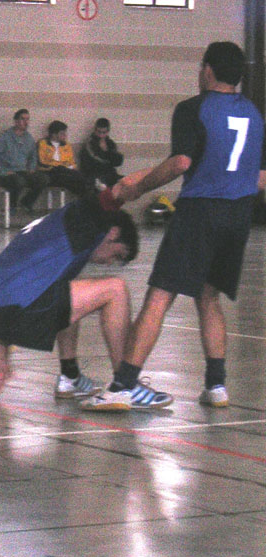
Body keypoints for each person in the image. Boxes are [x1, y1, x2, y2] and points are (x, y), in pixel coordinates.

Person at [88, 41, 266, 411]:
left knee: (160, 295)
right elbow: (260, 175)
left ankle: (122, 386)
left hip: (200, 212)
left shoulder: (192, 108)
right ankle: (216, 386)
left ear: (208, 70)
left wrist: (139, 188)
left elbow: (181, 163)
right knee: (209, 297)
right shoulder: (254, 113)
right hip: (238, 216)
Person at [0, 189, 164, 412]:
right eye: (116, 255)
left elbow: (10, 287)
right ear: (113, 233)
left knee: (69, 290)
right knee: (116, 289)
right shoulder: (84, 224)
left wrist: (2, 352)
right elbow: (117, 191)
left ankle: (70, 377)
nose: (109, 263)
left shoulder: (54, 232)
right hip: (13, 309)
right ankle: (126, 385)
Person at [0, 109, 48, 212]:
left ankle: (26, 202)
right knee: (18, 181)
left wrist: (31, 168)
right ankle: (12, 205)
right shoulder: (5, 137)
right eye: (23, 119)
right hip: (7, 173)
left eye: (27, 119)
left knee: (43, 179)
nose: (26, 122)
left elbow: (33, 156)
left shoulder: (29, 138)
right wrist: (2, 171)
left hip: (22, 172)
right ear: (16, 121)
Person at [37, 120, 90, 197]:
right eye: (62, 133)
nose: (65, 135)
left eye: (65, 133)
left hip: (66, 172)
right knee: (74, 179)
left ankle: (86, 196)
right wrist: (60, 165)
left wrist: (70, 166)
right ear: (53, 134)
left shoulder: (67, 145)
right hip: (49, 172)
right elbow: (42, 162)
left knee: (78, 179)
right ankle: (85, 197)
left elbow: (72, 162)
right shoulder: (43, 144)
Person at [79, 117, 124, 189]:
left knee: (125, 183)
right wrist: (106, 153)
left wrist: (107, 151)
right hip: (94, 175)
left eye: (104, 132)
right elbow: (93, 162)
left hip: (109, 173)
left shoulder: (110, 143)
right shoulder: (90, 143)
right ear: (95, 130)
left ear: (108, 132)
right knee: (102, 186)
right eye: (99, 132)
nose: (101, 135)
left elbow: (118, 162)